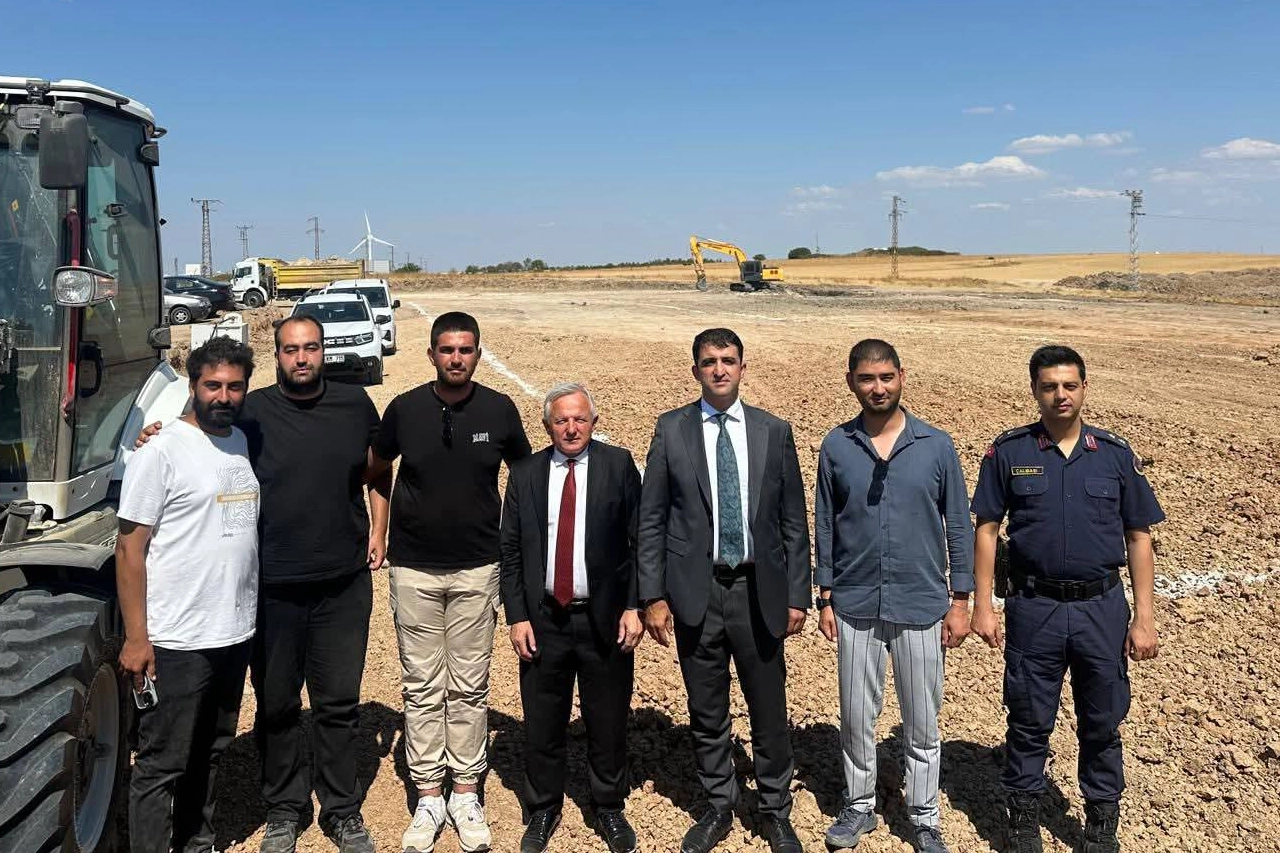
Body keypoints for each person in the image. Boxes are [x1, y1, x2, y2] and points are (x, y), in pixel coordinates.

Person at [136, 315, 389, 853]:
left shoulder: (355, 405)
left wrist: (379, 529)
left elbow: (377, 469)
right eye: (291, 349)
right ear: (277, 355)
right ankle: (283, 809)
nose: (302, 358)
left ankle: (342, 811)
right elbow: (200, 428)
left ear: (323, 351)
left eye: (311, 347)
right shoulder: (251, 410)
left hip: (342, 585)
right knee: (277, 705)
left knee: (338, 704)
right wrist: (156, 434)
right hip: (271, 588)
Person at [970, 345, 1164, 853]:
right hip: (1035, 607)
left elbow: (1139, 537)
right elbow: (986, 529)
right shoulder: (1010, 452)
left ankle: (1101, 826)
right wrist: (983, 606)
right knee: (1028, 719)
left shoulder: (1114, 455)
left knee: (1102, 721)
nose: (1061, 395)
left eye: (1070, 385)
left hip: (1102, 608)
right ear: (1035, 390)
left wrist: (1144, 618)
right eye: (1050, 386)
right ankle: (1023, 823)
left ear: (1084, 388)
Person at [637, 328, 810, 853]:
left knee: (768, 708)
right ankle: (718, 805)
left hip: (758, 591)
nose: (719, 369)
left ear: (742, 368)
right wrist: (652, 595)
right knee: (707, 708)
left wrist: (797, 594)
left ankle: (775, 808)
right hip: (697, 591)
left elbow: (793, 520)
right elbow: (652, 518)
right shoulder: (671, 430)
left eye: (728, 360)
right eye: (709, 361)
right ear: (695, 370)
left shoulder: (772, 431)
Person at [366, 311, 532, 853]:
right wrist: (378, 530)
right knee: (421, 685)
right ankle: (428, 794)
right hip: (413, 568)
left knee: (469, 684)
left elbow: (526, 477)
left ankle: (465, 791)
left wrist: (516, 544)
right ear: (431, 354)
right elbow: (376, 467)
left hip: (477, 568)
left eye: (465, 350)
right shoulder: (405, 409)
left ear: (477, 354)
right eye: (447, 349)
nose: (456, 358)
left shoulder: (499, 410)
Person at [813, 339, 974, 853]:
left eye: (886, 377)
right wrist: (825, 596)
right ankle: (858, 806)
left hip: (921, 603)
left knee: (922, 720)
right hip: (855, 603)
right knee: (856, 716)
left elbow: (958, 525)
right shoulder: (837, 446)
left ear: (902, 377)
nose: (878, 388)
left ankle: (923, 816)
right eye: (867, 378)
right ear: (851, 382)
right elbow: (825, 524)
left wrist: (961, 599)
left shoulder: (936, 446)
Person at [117, 336, 260, 853]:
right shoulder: (160, 450)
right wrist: (138, 638)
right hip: (177, 637)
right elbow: (130, 549)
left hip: (233, 632)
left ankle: (197, 842)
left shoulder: (239, 441)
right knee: (161, 763)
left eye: (234, 387)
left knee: (211, 750)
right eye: (212, 385)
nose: (223, 396)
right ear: (193, 385)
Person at [498, 382, 644, 853]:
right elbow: (511, 550)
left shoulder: (618, 466)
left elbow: (640, 541)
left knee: (608, 719)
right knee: (543, 720)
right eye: (561, 420)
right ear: (547, 426)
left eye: (580, 418)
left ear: (594, 422)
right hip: (545, 619)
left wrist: (634, 606)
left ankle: (609, 806)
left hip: (605, 618)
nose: (572, 428)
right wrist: (517, 615)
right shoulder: (526, 473)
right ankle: (543, 807)